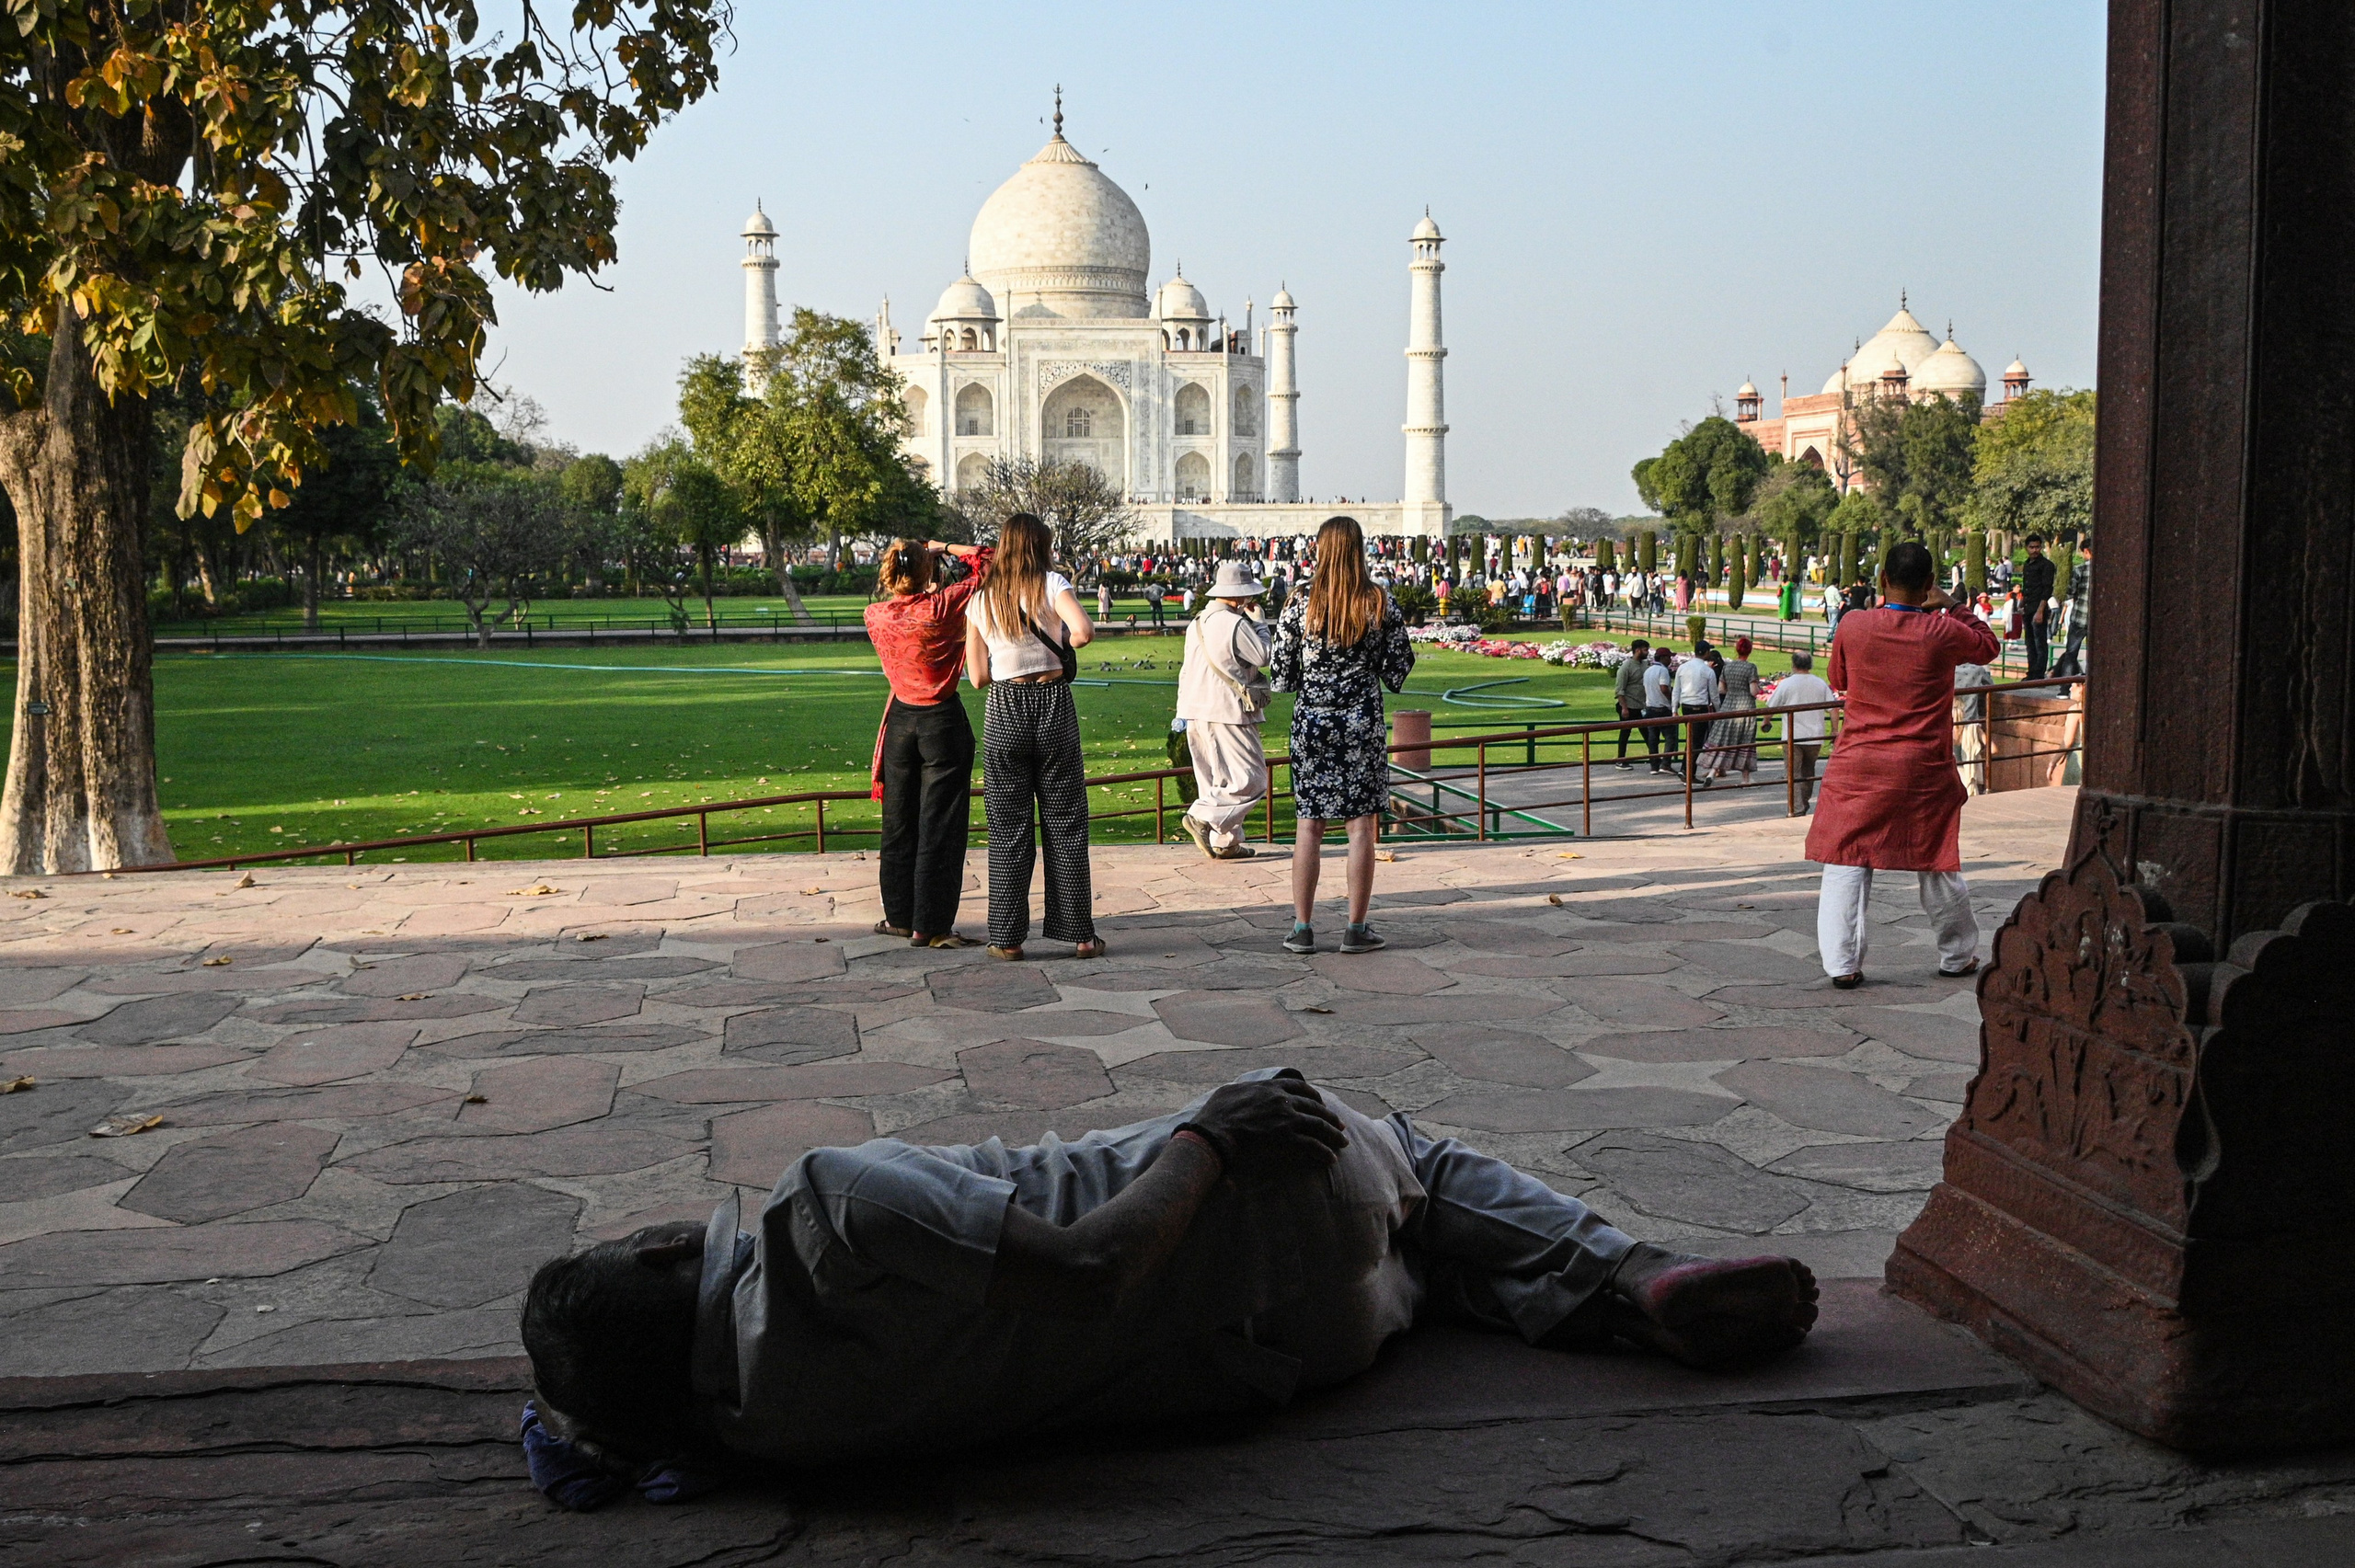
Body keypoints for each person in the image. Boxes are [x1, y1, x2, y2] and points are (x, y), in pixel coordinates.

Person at [519, 1070, 1822, 1483]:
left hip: (1294, 1355)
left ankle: (1606, 1301)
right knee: (1412, 1159)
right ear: (657, 1249)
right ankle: (1632, 1274)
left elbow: (604, 1449)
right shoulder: (822, 1211)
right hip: (1273, 1202)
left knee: (1439, 1261)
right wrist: (1211, 1132)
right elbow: (1089, 1269)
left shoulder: (767, 1431)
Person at [1807, 541, 2001, 988]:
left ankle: (1842, 965)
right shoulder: (1941, 631)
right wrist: (1953, 605)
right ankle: (1957, 955)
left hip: (1859, 763)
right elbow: (1988, 646)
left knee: (1846, 861)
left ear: (1881, 581)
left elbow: (1840, 680)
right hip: (1921, 766)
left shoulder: (1854, 625)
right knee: (1936, 861)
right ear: (1929, 584)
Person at [1269, 515, 1414, 956]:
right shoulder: (1378, 602)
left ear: (1321, 549)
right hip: (1361, 723)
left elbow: (1280, 675)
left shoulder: (1300, 603)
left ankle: (1302, 927)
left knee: (1309, 827)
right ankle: (1355, 927)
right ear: (1359, 550)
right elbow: (1398, 670)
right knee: (1361, 828)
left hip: (1313, 723)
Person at [964, 513, 1105, 962]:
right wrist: (1060, 642)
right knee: (1065, 821)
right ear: (1041, 545)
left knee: (1008, 828)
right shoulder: (1051, 584)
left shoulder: (982, 599)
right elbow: (1083, 631)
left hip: (1004, 708)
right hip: (1051, 703)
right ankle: (1080, 934)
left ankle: (1006, 937)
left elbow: (978, 677)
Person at [863, 536, 993, 947]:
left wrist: (922, 561)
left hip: (901, 720)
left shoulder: (875, 615)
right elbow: (990, 562)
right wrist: (947, 547)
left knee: (899, 822)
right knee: (941, 825)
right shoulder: (941, 608)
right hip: (940, 720)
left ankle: (899, 916)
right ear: (927, 572)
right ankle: (931, 925)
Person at [1177, 561, 1273, 861]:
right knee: (1253, 779)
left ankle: (1226, 842)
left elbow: (1187, 669)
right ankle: (1202, 817)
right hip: (1226, 710)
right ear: (1239, 596)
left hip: (1195, 709)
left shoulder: (1198, 622)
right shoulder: (1234, 623)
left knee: (1215, 782)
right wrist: (1260, 623)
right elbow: (1264, 655)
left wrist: (1181, 712)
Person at [1764, 650, 1832, 813]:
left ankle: (1796, 807)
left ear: (1793, 665)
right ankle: (1803, 804)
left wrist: (1766, 722)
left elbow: (1771, 706)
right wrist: (1835, 730)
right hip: (1815, 736)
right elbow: (1834, 708)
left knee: (1793, 774)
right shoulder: (1820, 683)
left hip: (1793, 736)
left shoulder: (1787, 684)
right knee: (1809, 773)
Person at [1706, 636, 1761, 782]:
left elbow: (1721, 689)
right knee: (1746, 741)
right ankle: (1746, 778)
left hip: (1728, 706)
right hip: (1745, 708)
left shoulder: (1727, 667)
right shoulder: (1750, 667)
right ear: (1750, 651)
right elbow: (1753, 691)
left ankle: (1712, 772)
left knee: (1724, 740)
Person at [1672, 642, 1720, 787]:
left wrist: (1674, 709)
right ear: (1705, 653)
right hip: (1700, 708)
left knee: (1690, 739)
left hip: (1686, 707)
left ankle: (1687, 771)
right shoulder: (1707, 671)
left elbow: (1676, 690)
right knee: (1697, 742)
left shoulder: (1683, 667)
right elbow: (1714, 694)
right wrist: (1719, 711)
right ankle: (1686, 771)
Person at [2051, 535, 2091, 679]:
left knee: (2071, 654)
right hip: (2098, 621)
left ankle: (2064, 687)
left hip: (2079, 618)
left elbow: (2070, 592)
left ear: (2087, 551)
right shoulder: (2106, 571)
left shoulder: (2080, 569)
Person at [2020, 534, 2056, 681]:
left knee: (2039, 642)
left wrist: (2040, 610)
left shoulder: (2047, 565)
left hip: (2039, 607)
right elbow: (2027, 587)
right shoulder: (2027, 564)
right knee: (2029, 641)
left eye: (2037, 547)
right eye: (2032, 547)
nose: (2035, 550)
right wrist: (2022, 603)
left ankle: (2038, 674)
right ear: (2027, 548)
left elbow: (2047, 589)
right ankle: (2031, 671)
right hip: (2028, 607)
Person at [1612, 637, 1651, 771]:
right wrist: (1624, 708)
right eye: (1646, 650)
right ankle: (1620, 760)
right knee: (1625, 733)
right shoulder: (1626, 667)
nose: (1647, 652)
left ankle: (1655, 759)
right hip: (1628, 706)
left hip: (1640, 706)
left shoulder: (1645, 665)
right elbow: (1619, 689)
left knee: (1647, 733)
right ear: (1638, 650)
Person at [1640, 646, 1675, 773]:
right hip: (1662, 708)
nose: (1670, 660)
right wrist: (1672, 699)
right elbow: (1664, 688)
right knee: (1670, 737)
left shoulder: (1648, 671)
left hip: (1650, 707)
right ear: (1663, 658)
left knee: (1653, 738)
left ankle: (1654, 765)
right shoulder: (1663, 671)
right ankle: (1665, 764)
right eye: (1669, 657)